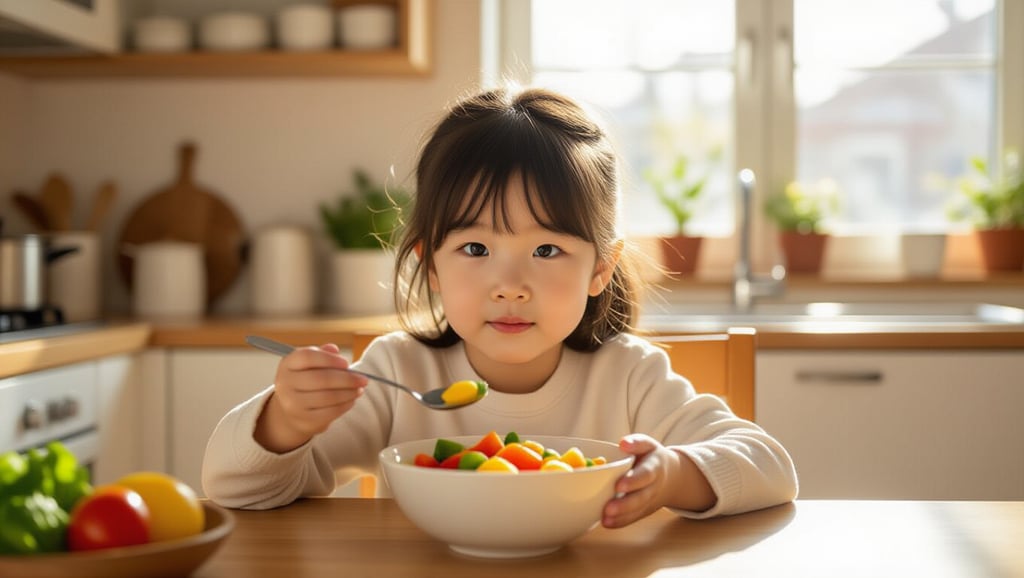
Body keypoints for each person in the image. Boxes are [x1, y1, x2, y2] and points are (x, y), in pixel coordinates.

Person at [203, 86, 798, 527]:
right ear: (430, 264)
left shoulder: (631, 377)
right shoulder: (395, 375)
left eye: (546, 248)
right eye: (475, 247)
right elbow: (236, 490)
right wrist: (284, 422)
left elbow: (770, 466)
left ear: (600, 268)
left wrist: (670, 476)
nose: (509, 284)